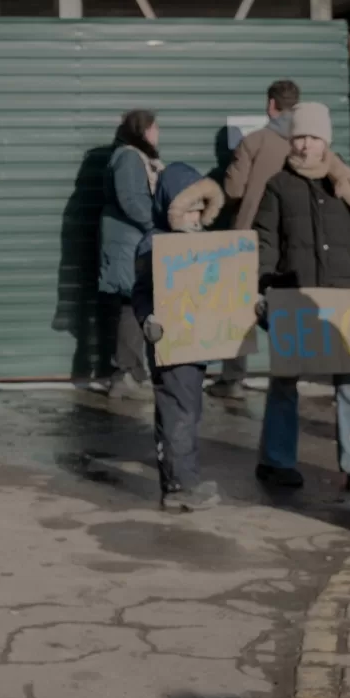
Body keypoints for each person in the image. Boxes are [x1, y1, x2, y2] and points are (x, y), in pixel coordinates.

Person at [253, 101, 350, 491]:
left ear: (326, 140)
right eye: (300, 137)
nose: (306, 145)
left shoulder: (347, 184)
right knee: (284, 380)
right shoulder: (278, 186)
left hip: (344, 298)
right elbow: (266, 242)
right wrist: (264, 288)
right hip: (294, 295)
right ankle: (277, 460)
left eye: (313, 137)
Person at [134, 162, 227, 511]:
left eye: (200, 209)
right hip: (170, 344)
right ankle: (180, 486)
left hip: (195, 344)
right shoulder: (154, 244)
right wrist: (148, 319)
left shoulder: (203, 244)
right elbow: (141, 292)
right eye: (189, 209)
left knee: (188, 410)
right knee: (178, 413)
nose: (195, 217)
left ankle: (184, 478)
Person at [211, 79, 300, 397]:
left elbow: (234, 189)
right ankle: (289, 374)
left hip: (251, 235)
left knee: (241, 305)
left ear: (271, 105)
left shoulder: (255, 141)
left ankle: (233, 379)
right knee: (287, 303)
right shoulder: (307, 144)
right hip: (292, 237)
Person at [98, 110, 164, 395]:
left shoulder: (138, 157)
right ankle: (124, 374)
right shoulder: (128, 157)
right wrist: (157, 223)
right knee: (131, 304)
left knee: (137, 303)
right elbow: (131, 200)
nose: (158, 133)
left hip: (135, 242)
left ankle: (134, 372)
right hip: (129, 243)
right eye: (155, 127)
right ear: (143, 130)